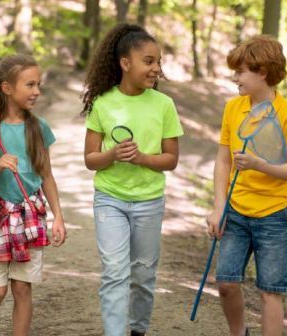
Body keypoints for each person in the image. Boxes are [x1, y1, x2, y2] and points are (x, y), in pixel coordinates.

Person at [81, 23, 184, 336]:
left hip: (149, 202)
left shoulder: (164, 105)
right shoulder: (103, 103)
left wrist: (141, 159)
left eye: (157, 62)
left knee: (142, 274)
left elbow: (171, 159)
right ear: (126, 64)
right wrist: (112, 155)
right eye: (149, 61)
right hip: (110, 199)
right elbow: (90, 159)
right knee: (114, 272)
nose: (155, 69)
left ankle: (138, 329)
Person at [207, 35, 287, 336]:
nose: (235, 77)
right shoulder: (232, 108)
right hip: (236, 211)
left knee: (269, 291)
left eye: (241, 71)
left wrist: (260, 165)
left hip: (274, 215)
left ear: (262, 72)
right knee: (225, 283)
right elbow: (223, 160)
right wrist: (218, 206)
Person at [0, 54, 66, 336]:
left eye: (38, 84)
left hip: (30, 213)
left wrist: (58, 217)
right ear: (7, 88)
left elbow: (46, 176)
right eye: (29, 85)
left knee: (22, 287)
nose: (37, 91)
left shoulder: (39, 127)